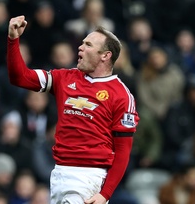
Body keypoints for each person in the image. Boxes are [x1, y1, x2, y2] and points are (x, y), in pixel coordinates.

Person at [7, 15, 139, 203]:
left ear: (105, 55)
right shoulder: (65, 78)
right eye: (82, 43)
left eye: (88, 44)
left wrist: (105, 194)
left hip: (88, 177)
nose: (80, 47)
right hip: (59, 172)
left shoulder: (121, 95)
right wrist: (13, 39)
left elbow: (123, 151)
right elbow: (19, 77)